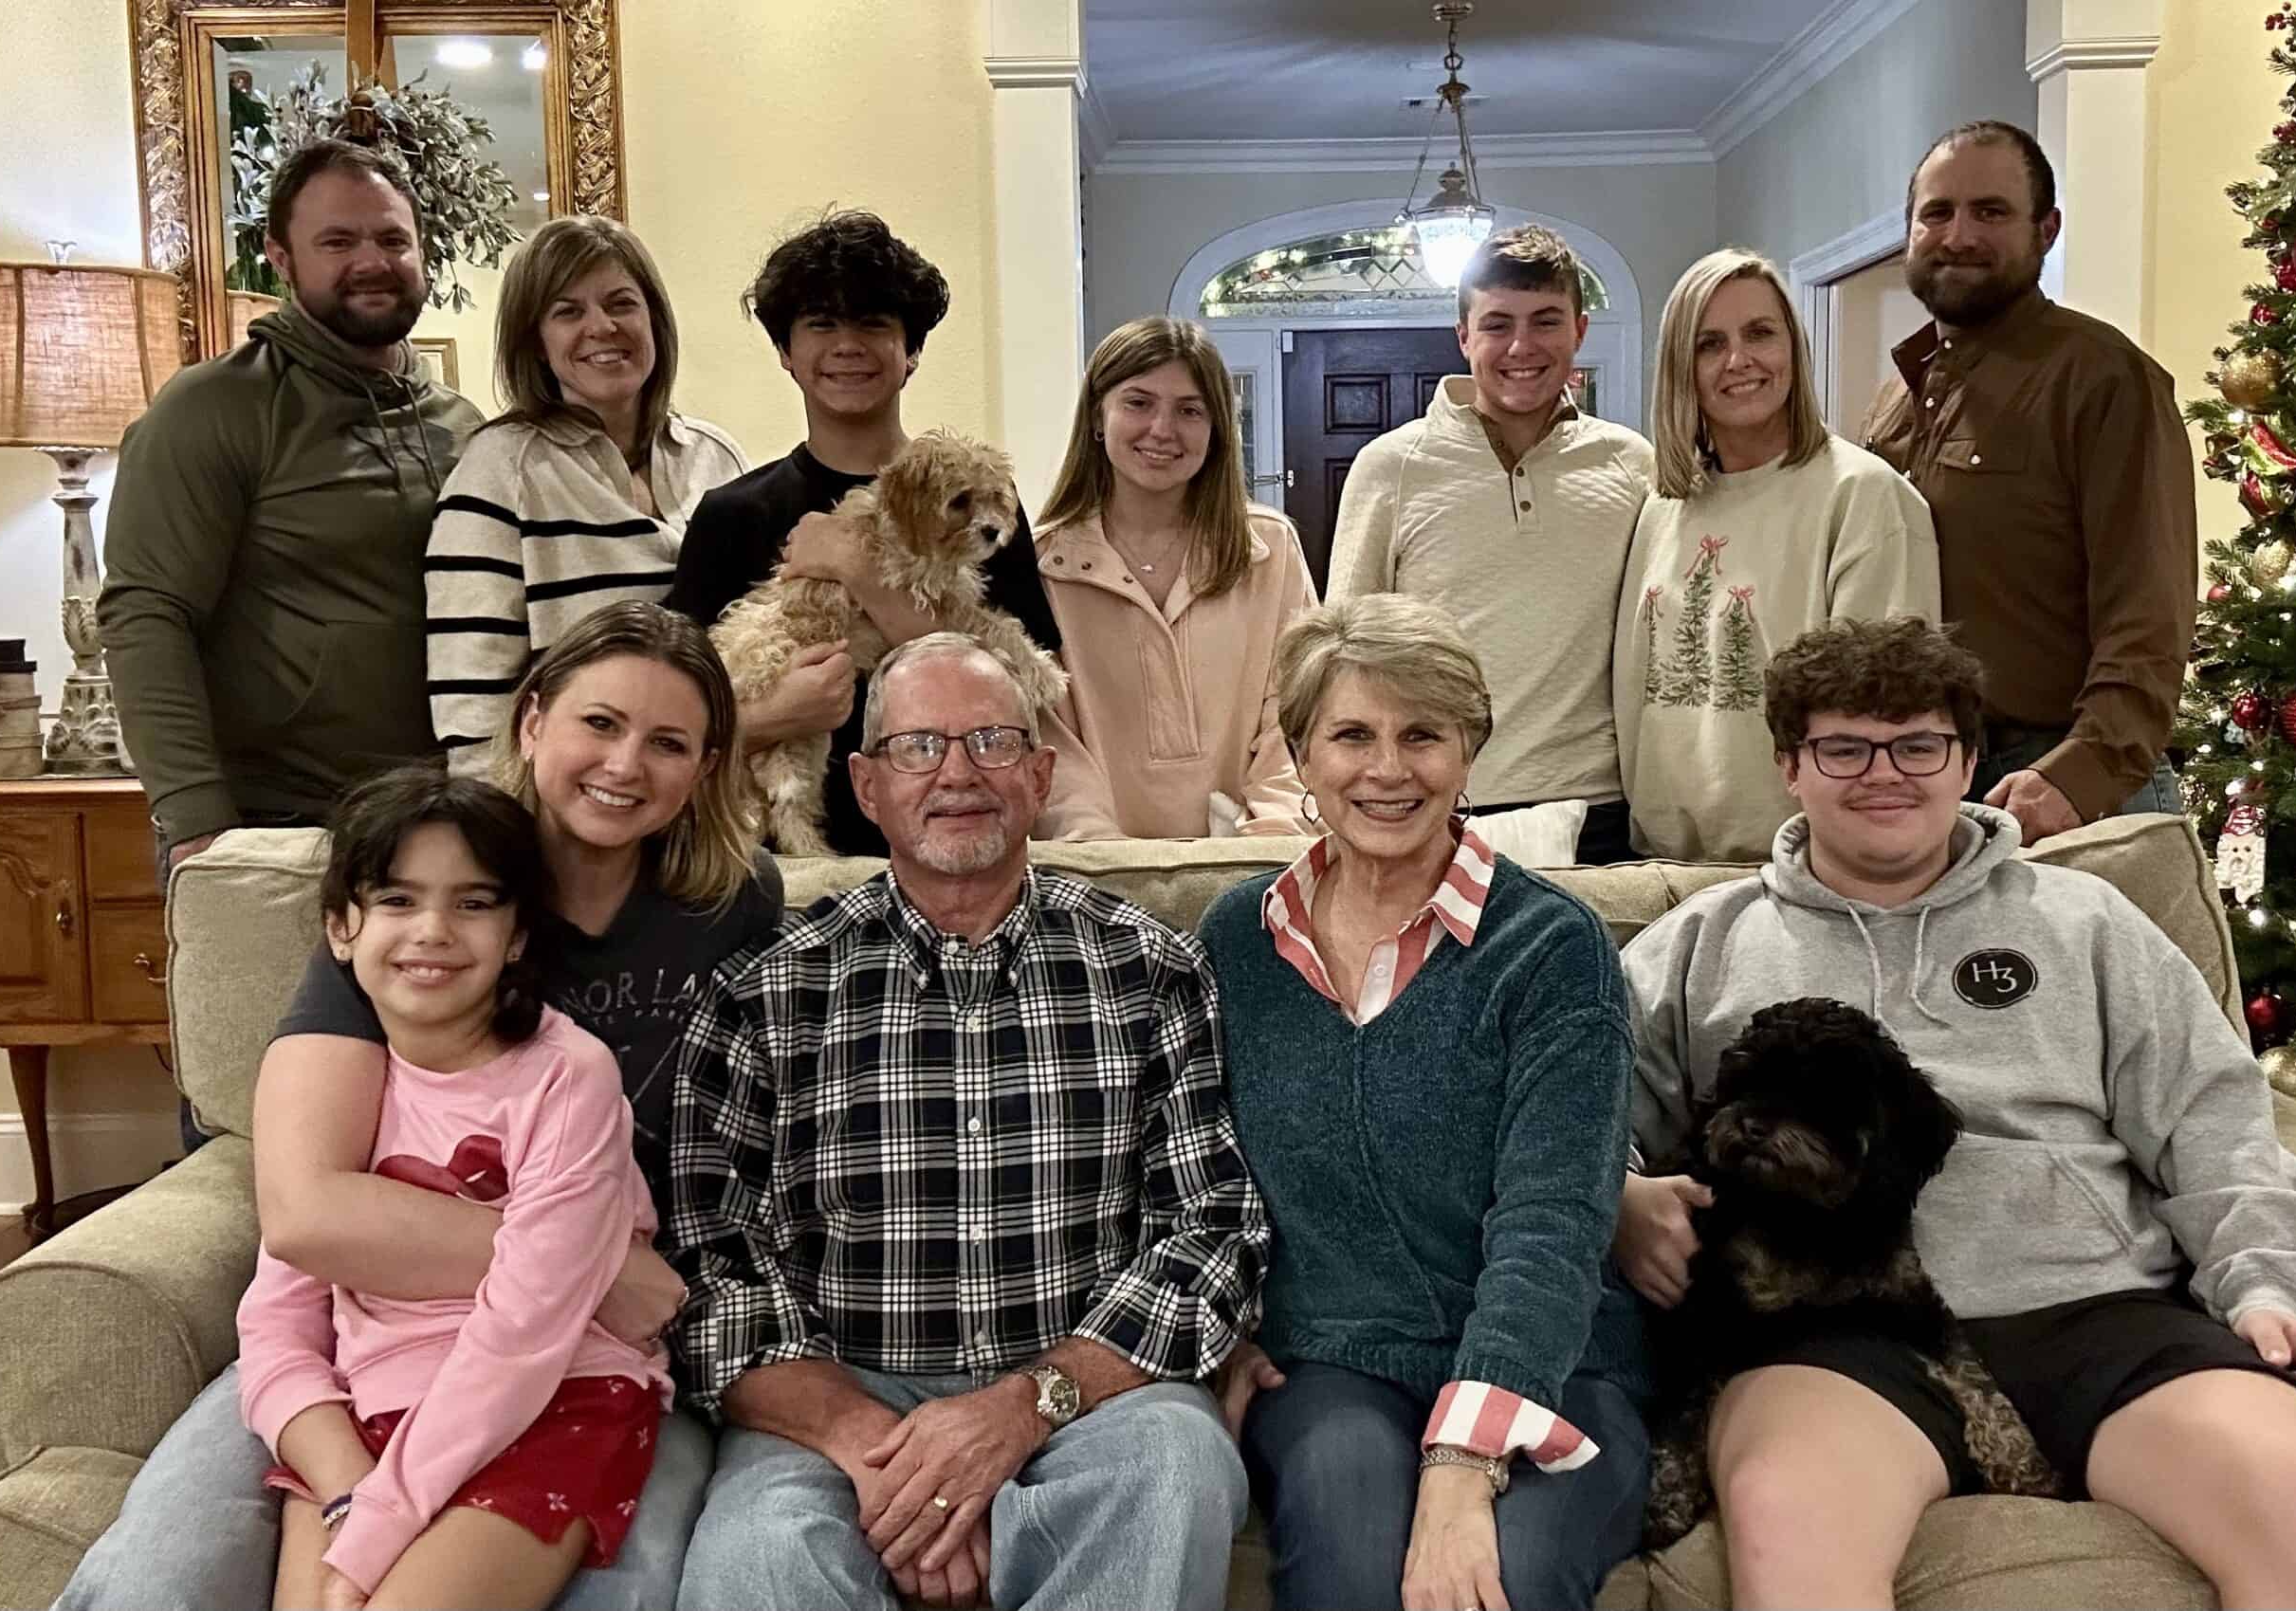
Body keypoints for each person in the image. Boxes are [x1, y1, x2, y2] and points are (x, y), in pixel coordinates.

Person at [1614, 616, 2296, 1607]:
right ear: (1789, 765)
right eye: (1844, 746)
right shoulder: (1698, 945)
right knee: (1791, 1533)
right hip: (1831, 1339)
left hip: (2099, 1313)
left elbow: (2219, 1131)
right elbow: (1575, 1118)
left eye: (1918, 744)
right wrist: (1623, 1196)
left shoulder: (2088, 921)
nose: (1882, 773)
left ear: (1968, 758)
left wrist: (2267, 1291)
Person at [56, 602, 784, 1611]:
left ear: (706, 765)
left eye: (669, 741)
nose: (625, 763)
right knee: (156, 1580)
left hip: (586, 1358)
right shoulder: (421, 901)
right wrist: (590, 1258)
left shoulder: (730, 904)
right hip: (380, 1336)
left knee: (634, 1580)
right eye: (599, 722)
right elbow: (307, 1218)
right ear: (532, 721)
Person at [666, 632, 1267, 1611]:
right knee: (757, 1559)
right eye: (917, 747)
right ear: (863, 785)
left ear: (1038, 774)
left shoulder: (1147, 967)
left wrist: (1021, 1409)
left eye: (991, 741)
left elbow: (1210, 1235)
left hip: (1085, 1396)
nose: (956, 773)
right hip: (835, 1405)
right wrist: (890, 1457)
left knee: (1174, 1472)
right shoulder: (768, 989)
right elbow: (711, 1273)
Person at [1196, 594, 1650, 1611]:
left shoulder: (1552, 949)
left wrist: (1461, 1461)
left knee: (1507, 1581)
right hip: (1330, 1361)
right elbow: (1194, 1173)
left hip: (1555, 1361)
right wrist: (1216, 1332)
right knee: (1352, 1558)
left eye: (1422, 736)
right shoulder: (1235, 940)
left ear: (1469, 751)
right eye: (1351, 734)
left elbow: (1554, 1219)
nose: (1387, 770)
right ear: (1302, 755)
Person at [237, 766, 672, 1609]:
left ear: (516, 936)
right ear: (340, 926)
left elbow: (524, 1329)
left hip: (552, 1398)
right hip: (371, 1415)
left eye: (473, 904)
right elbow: (278, 1319)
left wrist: (375, 1529)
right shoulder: (342, 1081)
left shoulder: (566, 1076)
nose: (432, 930)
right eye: (397, 900)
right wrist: (342, 1484)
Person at [100, 137, 481, 870]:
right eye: (337, 240)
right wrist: (195, 817)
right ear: (280, 258)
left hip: (442, 823)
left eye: (392, 238)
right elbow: (147, 612)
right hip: (272, 827)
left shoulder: (461, 424)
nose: (371, 261)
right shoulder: (214, 407)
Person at [663, 209, 1065, 855]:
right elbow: (676, 716)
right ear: (786, 352)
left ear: (911, 352)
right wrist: (775, 718)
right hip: (775, 866)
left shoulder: (984, 506)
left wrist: (859, 568)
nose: (847, 344)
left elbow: (1026, 691)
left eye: (873, 323)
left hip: (955, 852)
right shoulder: (732, 515)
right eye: (821, 323)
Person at [1862, 121, 2195, 846]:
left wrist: (2078, 776)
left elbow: (2150, 613)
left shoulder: (2104, 378)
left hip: (2064, 786)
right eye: (1937, 213)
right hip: (1932, 776)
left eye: (1991, 212)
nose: (1958, 236)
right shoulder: (1897, 396)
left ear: (2047, 230)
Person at [1327, 225, 1653, 865]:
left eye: (1546, 321)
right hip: (1438, 804)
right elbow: (1342, 657)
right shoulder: (1390, 466)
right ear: (1464, 336)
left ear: (1580, 331)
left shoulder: (1634, 466)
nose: (1522, 346)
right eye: (1498, 323)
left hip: (1603, 809)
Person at [1615, 247, 1938, 863]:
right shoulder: (1662, 505)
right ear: (1681, 367)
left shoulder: (1863, 497)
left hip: (1804, 869)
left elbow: (1887, 716)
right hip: (1657, 865)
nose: (1739, 361)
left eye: (1760, 333)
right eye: (1709, 343)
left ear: (1794, 346)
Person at [427, 215, 746, 777]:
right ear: (537, 343)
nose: (602, 327)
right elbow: (473, 713)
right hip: (575, 816)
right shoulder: (500, 469)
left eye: (621, 303)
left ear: (654, 320)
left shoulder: (715, 457)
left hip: (723, 807)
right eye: (567, 311)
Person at [1035, 317, 1316, 839]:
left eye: (1190, 410)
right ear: (1098, 416)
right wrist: (1110, 862)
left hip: (1256, 867)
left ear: (1216, 429)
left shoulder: (1270, 549)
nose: (1162, 430)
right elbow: (1050, 746)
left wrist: (1261, 848)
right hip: (1097, 875)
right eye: (1138, 403)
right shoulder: (1041, 566)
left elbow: (1298, 714)